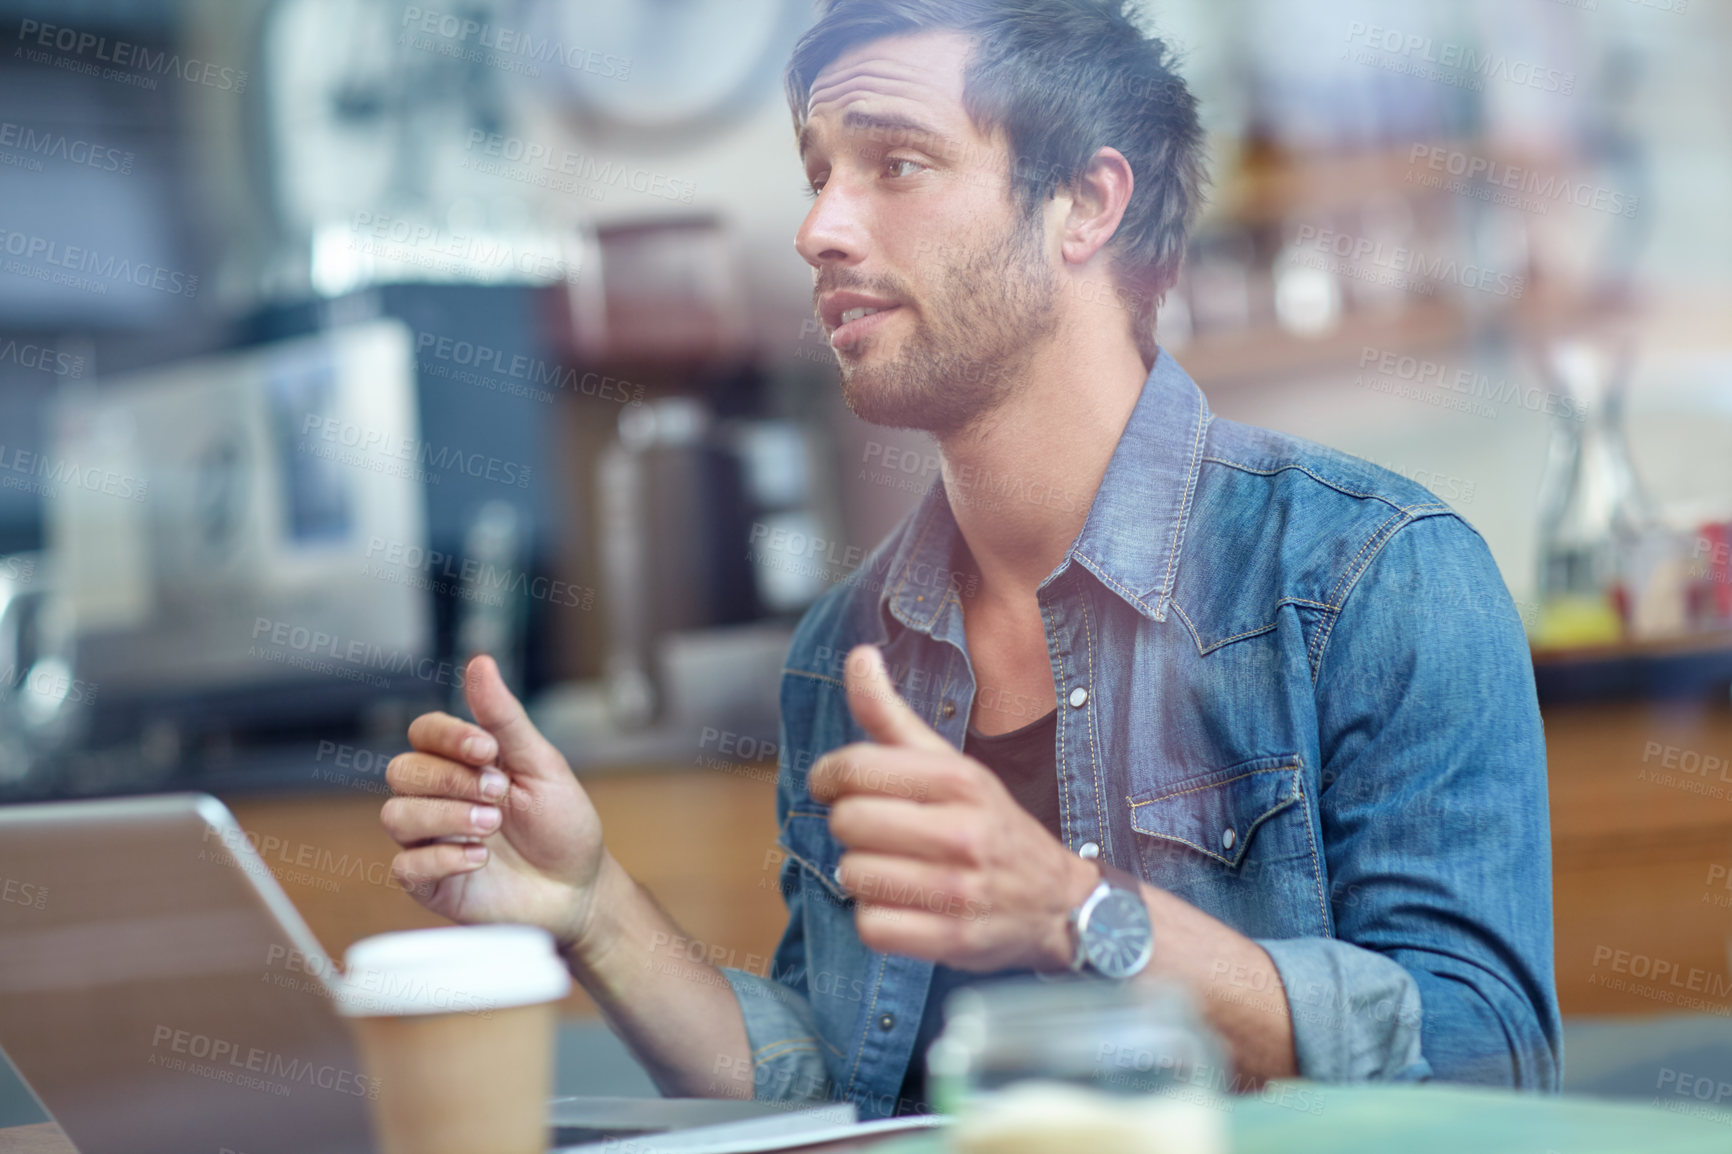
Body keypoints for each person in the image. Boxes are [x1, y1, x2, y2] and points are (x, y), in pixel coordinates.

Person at [379, 0, 1561, 1120]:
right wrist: (593, 909)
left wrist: (1078, 912)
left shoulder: (1375, 578)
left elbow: (1492, 1060)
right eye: (818, 175)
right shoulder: (842, 653)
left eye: (895, 164)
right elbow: (841, 1089)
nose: (817, 229)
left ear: (1085, 205)